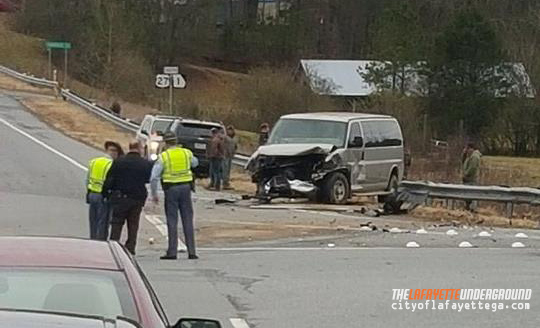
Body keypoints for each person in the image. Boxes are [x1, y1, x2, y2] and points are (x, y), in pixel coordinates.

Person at [150, 132, 199, 260]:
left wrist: (154, 194)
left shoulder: (164, 156)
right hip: (186, 188)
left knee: (172, 220)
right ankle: (192, 251)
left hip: (171, 189)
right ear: (177, 141)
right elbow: (195, 163)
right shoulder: (186, 153)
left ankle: (172, 252)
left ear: (165, 143)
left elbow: (154, 177)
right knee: (187, 219)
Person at [102, 140, 153, 255]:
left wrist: (106, 193)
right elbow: (147, 179)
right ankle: (131, 247)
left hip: (120, 197)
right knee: (133, 224)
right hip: (137, 197)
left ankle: (114, 246)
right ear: (139, 148)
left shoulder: (119, 161)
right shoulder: (145, 163)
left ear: (129, 148)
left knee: (117, 223)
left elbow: (110, 179)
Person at [86, 141, 123, 240]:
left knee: (93, 221)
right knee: (103, 222)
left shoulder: (94, 161)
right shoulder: (112, 164)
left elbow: (87, 179)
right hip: (104, 196)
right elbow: (112, 181)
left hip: (92, 194)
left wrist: (88, 192)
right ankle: (100, 244)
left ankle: (92, 240)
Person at [462, 142, 482, 210]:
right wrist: (464, 154)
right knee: (467, 195)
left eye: (467, 148)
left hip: (471, 179)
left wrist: (466, 174)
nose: (466, 150)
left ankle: (471, 208)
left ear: (471, 149)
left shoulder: (474, 157)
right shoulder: (469, 156)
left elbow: (472, 168)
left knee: (470, 194)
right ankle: (467, 207)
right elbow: (463, 162)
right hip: (468, 179)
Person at [223, 125, 238, 190]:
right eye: (229, 130)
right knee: (225, 170)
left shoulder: (234, 139)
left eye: (231, 130)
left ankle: (227, 182)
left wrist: (234, 152)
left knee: (228, 170)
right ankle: (224, 182)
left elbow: (235, 147)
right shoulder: (225, 138)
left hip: (230, 156)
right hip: (225, 155)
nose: (230, 131)